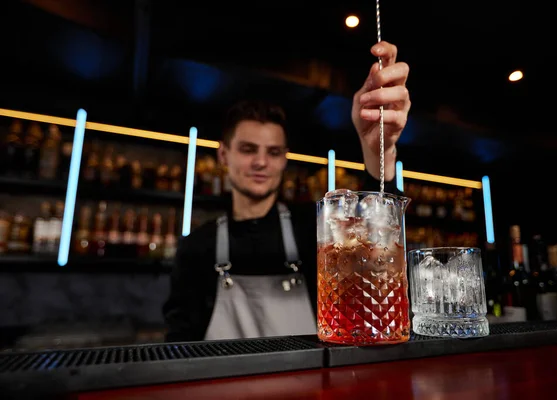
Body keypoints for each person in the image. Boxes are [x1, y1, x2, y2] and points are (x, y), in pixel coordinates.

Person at [162, 41, 411, 342]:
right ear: (223, 155)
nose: (261, 162)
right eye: (248, 149)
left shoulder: (317, 231)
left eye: (273, 151)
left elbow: (377, 245)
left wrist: (380, 151)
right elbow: (179, 345)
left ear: (284, 160)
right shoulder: (196, 247)